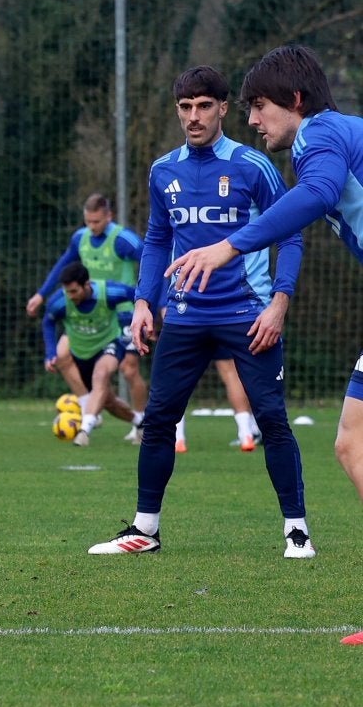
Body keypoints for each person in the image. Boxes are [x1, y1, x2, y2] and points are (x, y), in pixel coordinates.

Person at [165, 47, 363, 639]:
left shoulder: (317, 135)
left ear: (294, 103)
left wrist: (229, 245)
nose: (252, 120)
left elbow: (319, 192)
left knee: (355, 441)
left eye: (258, 106)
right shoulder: (344, 130)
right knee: (352, 441)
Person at [90, 65, 309, 560]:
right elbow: (156, 239)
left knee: (272, 419)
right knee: (160, 419)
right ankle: (145, 530)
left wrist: (279, 302)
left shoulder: (254, 166)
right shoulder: (163, 169)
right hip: (185, 318)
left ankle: (296, 530)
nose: (194, 116)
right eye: (185, 107)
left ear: (224, 108)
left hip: (247, 316)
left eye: (204, 106)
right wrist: (145, 301)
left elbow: (290, 234)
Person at [26, 193, 147, 437]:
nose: (92, 227)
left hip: (122, 311)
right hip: (85, 310)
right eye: (88, 222)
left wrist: (154, 300)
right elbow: (63, 266)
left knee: (129, 369)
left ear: (108, 216)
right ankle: (88, 406)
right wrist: (41, 294)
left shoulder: (123, 239)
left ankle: (143, 423)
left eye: (97, 222)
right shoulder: (80, 238)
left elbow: (151, 261)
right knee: (61, 355)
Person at [40, 262, 138, 446]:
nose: (70, 296)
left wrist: (145, 317)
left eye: (74, 291)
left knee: (101, 374)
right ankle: (140, 423)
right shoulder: (59, 301)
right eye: (67, 291)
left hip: (109, 344)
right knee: (108, 402)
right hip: (81, 352)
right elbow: (48, 322)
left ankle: (84, 430)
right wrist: (50, 353)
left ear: (87, 284)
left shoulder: (109, 292)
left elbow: (137, 295)